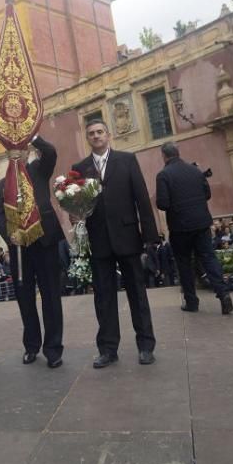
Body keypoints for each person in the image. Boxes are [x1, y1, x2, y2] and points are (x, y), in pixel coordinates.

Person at [72, 121, 158, 368]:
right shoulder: (79, 169)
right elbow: (75, 204)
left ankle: (145, 346)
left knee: (137, 294)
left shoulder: (127, 160)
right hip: (97, 240)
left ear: (108, 135)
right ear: (87, 139)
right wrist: (74, 214)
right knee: (103, 297)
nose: (96, 136)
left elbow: (141, 197)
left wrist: (149, 236)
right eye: (91, 134)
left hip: (128, 236)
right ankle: (108, 349)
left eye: (100, 132)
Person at [0, 135, 65, 368]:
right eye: (13, 151)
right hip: (20, 248)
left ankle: (53, 348)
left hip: (45, 241)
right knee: (25, 299)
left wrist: (32, 134)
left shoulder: (39, 170)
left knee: (51, 296)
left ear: (27, 152)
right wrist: (8, 236)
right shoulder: (1, 185)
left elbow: (51, 152)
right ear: (8, 155)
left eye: (22, 150)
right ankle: (31, 346)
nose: (18, 154)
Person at [155, 142, 233, 315]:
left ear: (164, 156)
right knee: (209, 258)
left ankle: (191, 302)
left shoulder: (163, 175)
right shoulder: (195, 171)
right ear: (178, 153)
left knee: (184, 263)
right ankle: (224, 294)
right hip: (201, 223)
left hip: (180, 227)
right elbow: (207, 194)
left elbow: (162, 203)